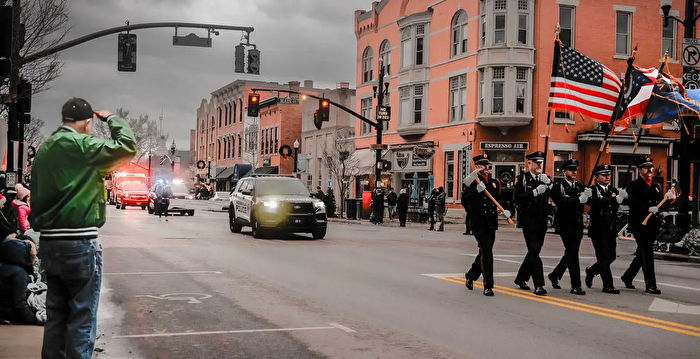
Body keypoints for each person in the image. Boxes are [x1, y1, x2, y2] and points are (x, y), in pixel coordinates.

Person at [31, 98, 136, 359]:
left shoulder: (45, 149)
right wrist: (112, 119)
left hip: (49, 242)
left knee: (55, 315)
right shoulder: (84, 146)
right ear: (88, 122)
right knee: (82, 315)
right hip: (79, 242)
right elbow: (126, 147)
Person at [620, 156, 672, 294]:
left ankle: (627, 276)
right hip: (639, 224)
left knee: (642, 253)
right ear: (639, 170)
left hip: (652, 225)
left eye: (650, 167)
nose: (649, 169)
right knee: (647, 253)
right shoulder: (634, 185)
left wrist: (669, 198)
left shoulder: (655, 186)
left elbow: (661, 203)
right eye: (645, 167)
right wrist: (647, 208)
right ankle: (650, 284)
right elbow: (632, 202)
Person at [463, 154, 508, 296]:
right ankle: (488, 286)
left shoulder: (495, 182)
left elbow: (500, 200)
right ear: (476, 167)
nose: (486, 168)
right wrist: (476, 192)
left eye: (487, 165)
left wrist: (508, 210)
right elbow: (465, 201)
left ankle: (470, 275)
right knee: (487, 251)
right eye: (482, 165)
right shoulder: (472, 182)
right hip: (478, 222)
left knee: (484, 252)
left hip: (491, 222)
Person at [547, 159, 587, 295]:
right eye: (571, 169)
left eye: (575, 169)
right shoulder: (559, 187)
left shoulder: (580, 187)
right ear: (564, 172)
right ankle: (576, 285)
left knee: (571, 253)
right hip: (565, 224)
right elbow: (562, 202)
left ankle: (555, 274)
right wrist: (578, 199)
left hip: (577, 224)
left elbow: (590, 199)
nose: (574, 172)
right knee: (573, 253)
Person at [513, 151, 551, 296]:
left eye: (541, 162)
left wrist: (550, 183)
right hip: (528, 220)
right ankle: (539, 284)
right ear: (529, 163)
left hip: (542, 220)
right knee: (534, 251)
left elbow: (555, 195)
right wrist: (534, 192)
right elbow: (517, 198)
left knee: (534, 251)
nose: (539, 165)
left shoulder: (545, 179)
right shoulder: (522, 179)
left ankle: (521, 278)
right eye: (536, 162)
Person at [585, 164, 623, 294]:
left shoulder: (613, 190)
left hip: (611, 229)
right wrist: (612, 200)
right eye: (604, 175)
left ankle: (591, 271)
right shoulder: (592, 190)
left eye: (608, 174)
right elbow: (593, 203)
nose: (607, 177)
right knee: (603, 257)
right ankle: (608, 285)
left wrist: (623, 197)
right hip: (598, 229)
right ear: (597, 177)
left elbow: (625, 200)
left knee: (611, 256)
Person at [0, 235, 39, 325]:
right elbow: (20, 304)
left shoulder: (3, 266)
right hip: (10, 315)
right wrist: (34, 320)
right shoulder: (19, 272)